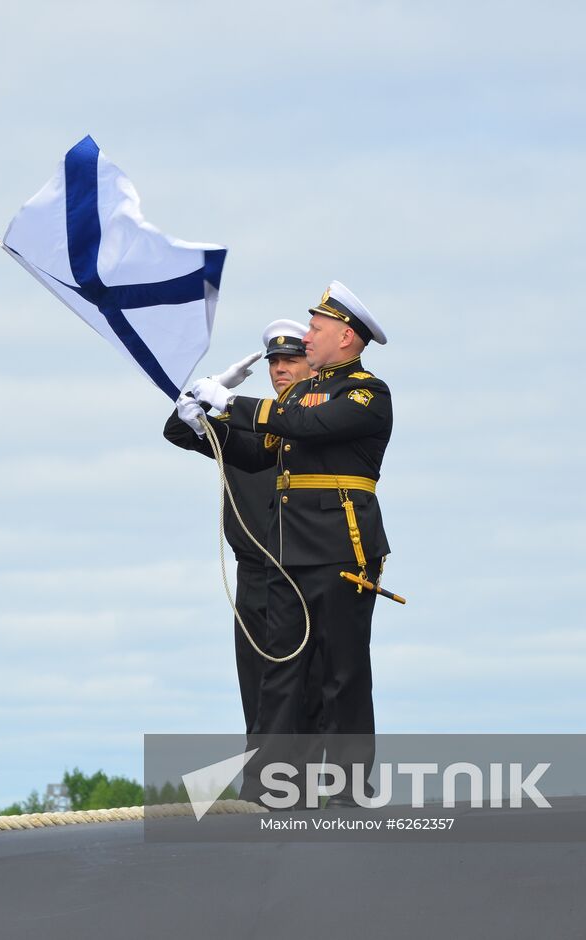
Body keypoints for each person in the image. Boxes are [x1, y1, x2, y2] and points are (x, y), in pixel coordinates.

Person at [185, 281, 392, 804]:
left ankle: (346, 788)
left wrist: (234, 404)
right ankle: (271, 787)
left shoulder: (367, 393)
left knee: (342, 671)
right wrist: (204, 417)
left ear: (346, 337)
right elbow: (258, 454)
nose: (308, 336)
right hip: (289, 552)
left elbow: (308, 424)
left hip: (341, 549)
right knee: (280, 672)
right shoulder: (298, 395)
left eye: (317, 329)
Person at [162, 320, 317, 734]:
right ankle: (270, 793)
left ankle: (335, 791)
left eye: (292, 359)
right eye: (275, 362)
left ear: (313, 366)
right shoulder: (250, 421)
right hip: (254, 578)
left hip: (307, 574)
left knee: (317, 693)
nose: (281, 368)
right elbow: (178, 429)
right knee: (260, 694)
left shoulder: (322, 422)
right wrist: (204, 389)